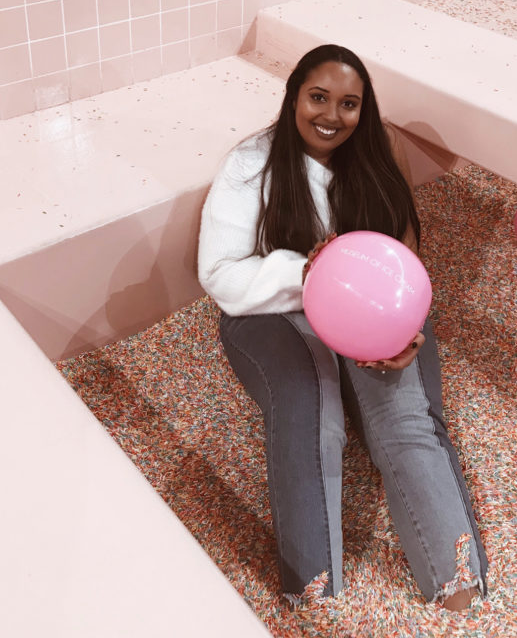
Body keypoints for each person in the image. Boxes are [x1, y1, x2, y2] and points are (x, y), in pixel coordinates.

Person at [198, 44, 487, 611]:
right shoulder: (251, 163)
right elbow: (219, 273)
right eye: (319, 98)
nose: (331, 115)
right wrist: (306, 271)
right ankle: (315, 599)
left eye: (348, 104)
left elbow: (404, 261)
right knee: (312, 412)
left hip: (364, 315)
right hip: (271, 311)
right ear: (294, 97)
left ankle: (459, 589)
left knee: (405, 419)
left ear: (364, 109)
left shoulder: (378, 157)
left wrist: (404, 334)